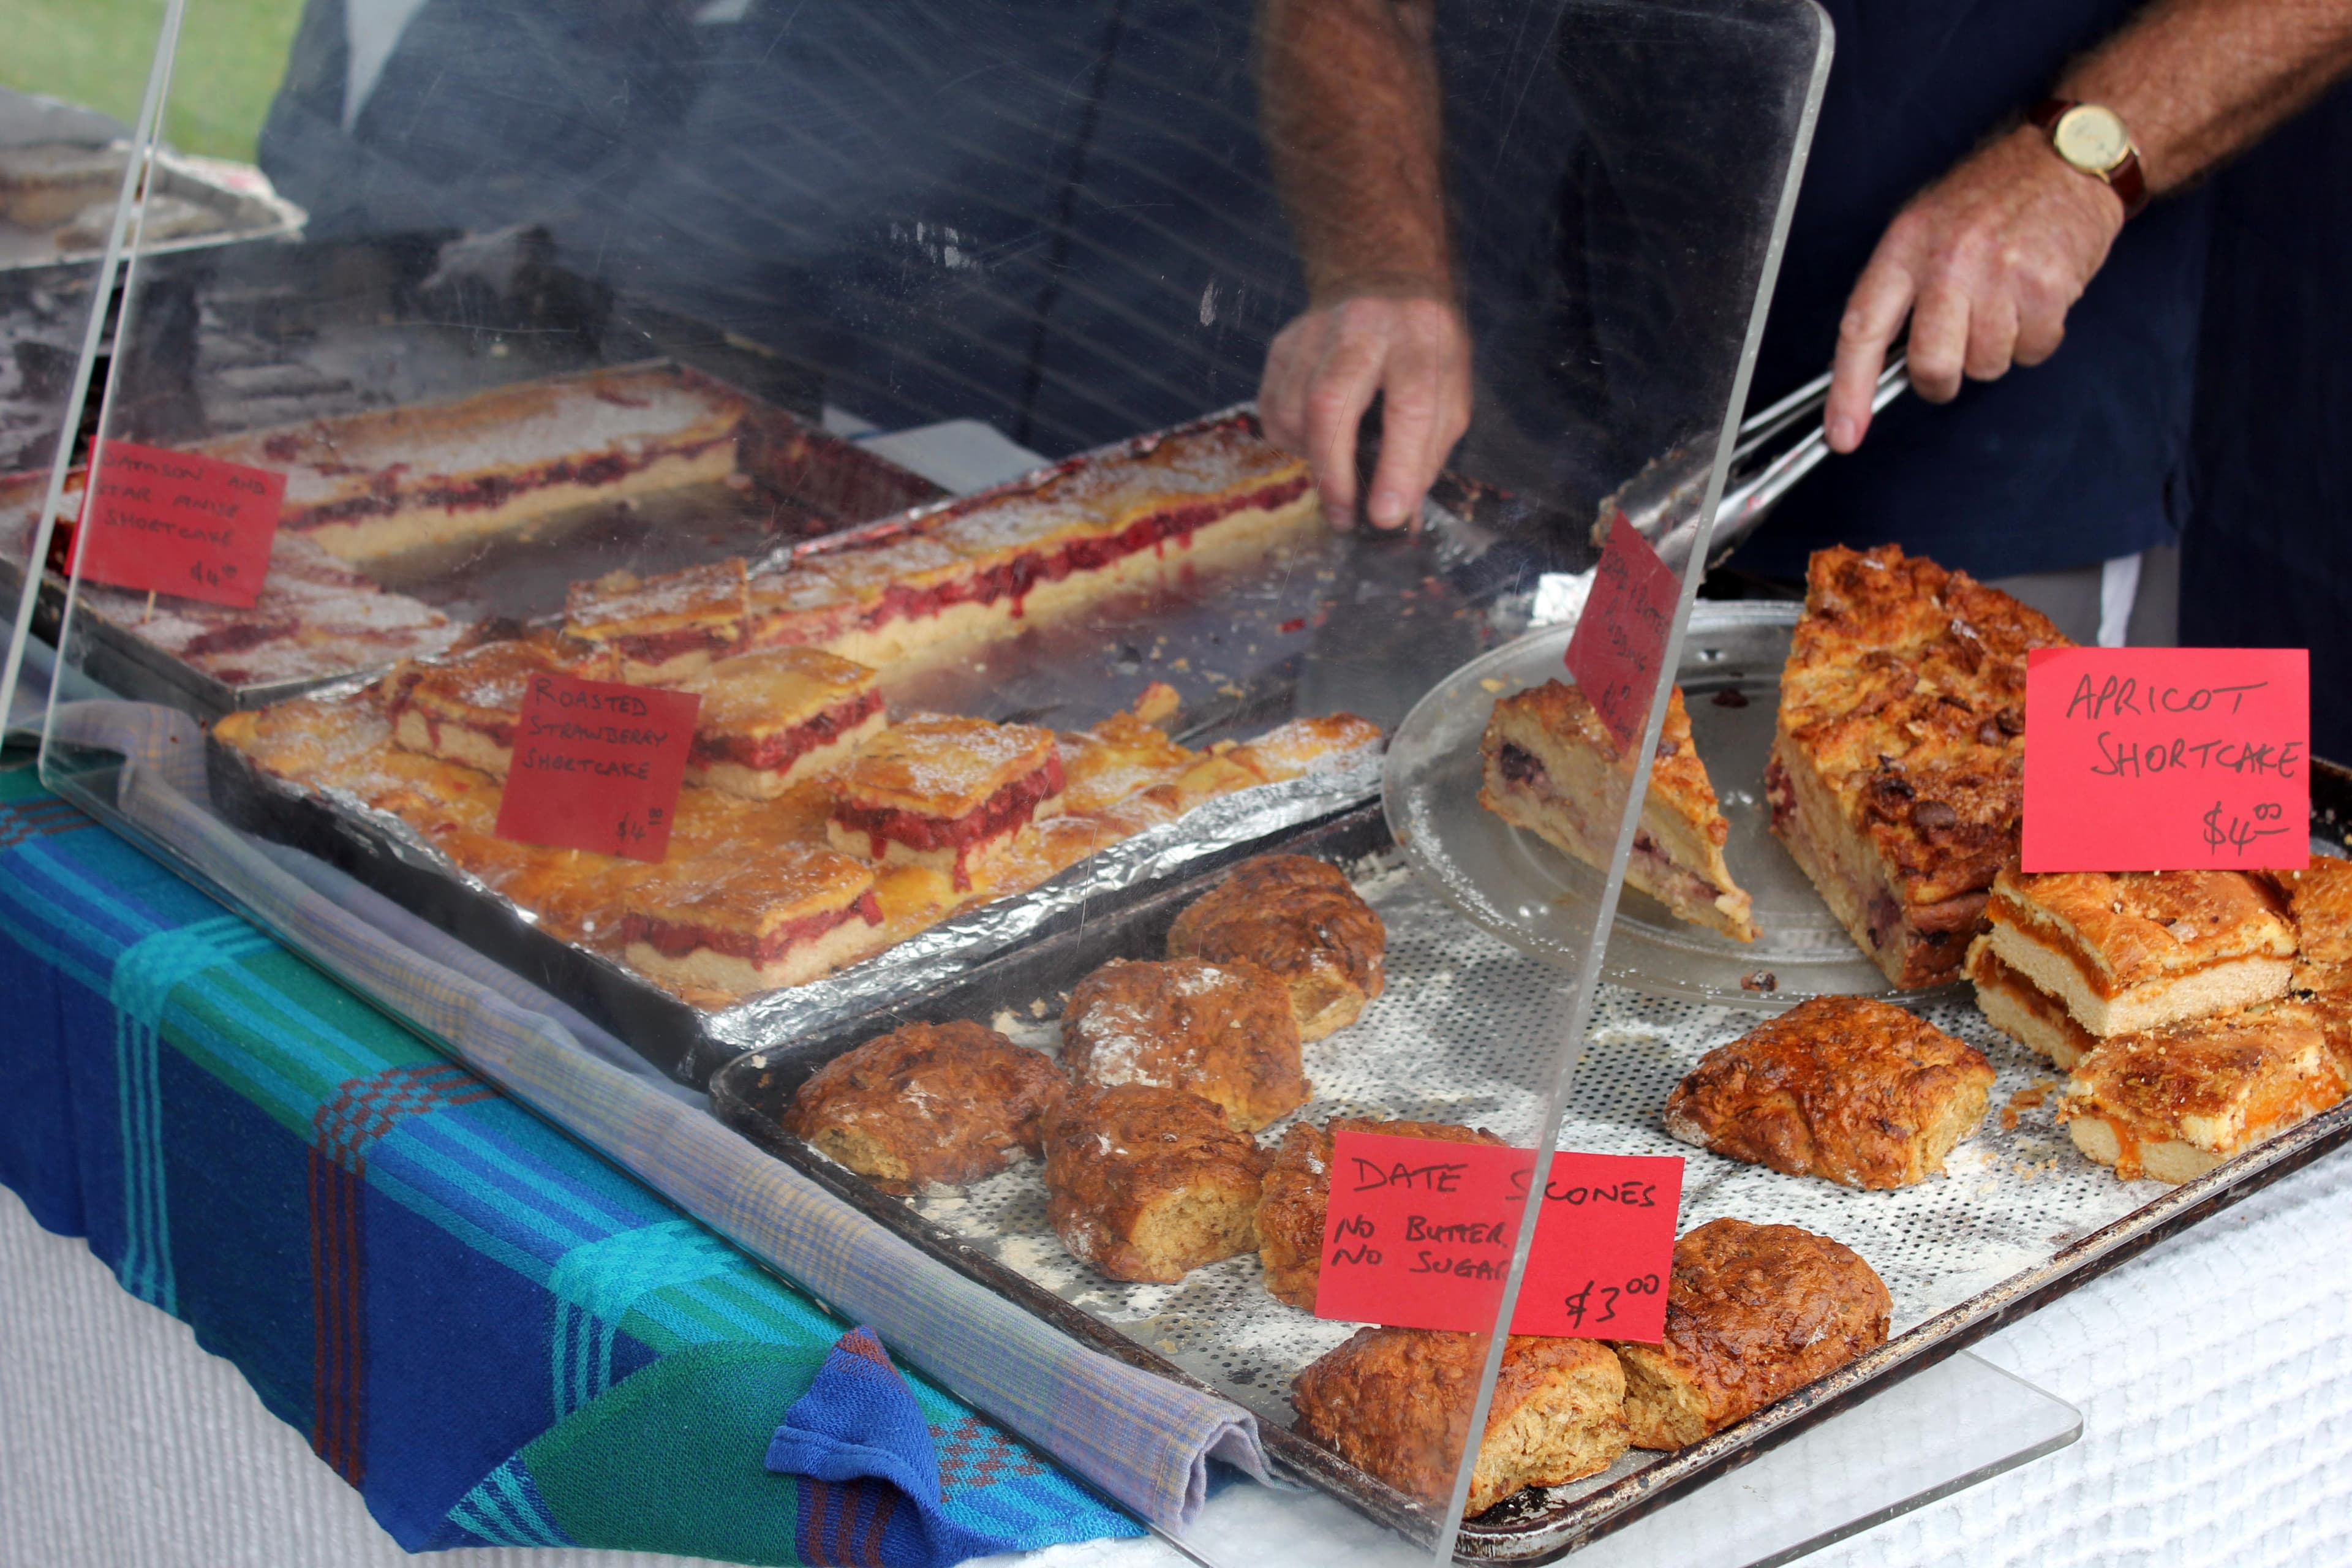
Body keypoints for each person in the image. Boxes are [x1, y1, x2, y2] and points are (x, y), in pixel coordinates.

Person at [1256, 0, 2352, 646]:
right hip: (1599, 399)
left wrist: (2081, 158)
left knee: (2008, 912)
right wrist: (1378, 262)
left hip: (2010, 438)